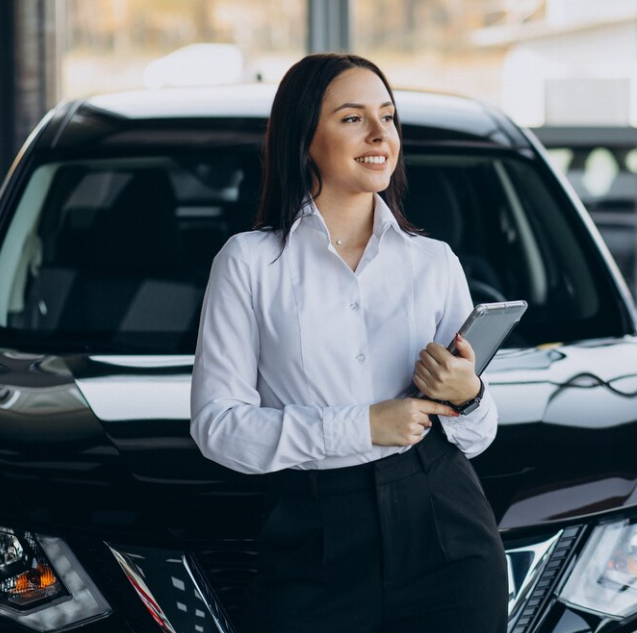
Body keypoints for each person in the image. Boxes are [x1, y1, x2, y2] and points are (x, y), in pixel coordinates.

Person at [189, 53, 508, 633]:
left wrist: (469, 395)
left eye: (387, 117)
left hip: (445, 527)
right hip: (313, 541)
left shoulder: (433, 262)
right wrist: (362, 425)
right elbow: (218, 428)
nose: (380, 134)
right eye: (352, 118)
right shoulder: (249, 263)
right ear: (303, 136)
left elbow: (479, 436)